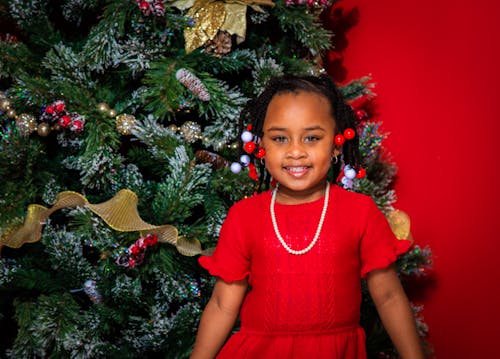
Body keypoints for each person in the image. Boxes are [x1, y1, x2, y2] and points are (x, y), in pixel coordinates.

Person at [190, 74, 425, 359]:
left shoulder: (360, 212)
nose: (296, 152)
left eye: (312, 137)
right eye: (280, 138)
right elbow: (222, 305)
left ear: (337, 144)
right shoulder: (244, 216)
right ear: (261, 145)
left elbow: (389, 297)